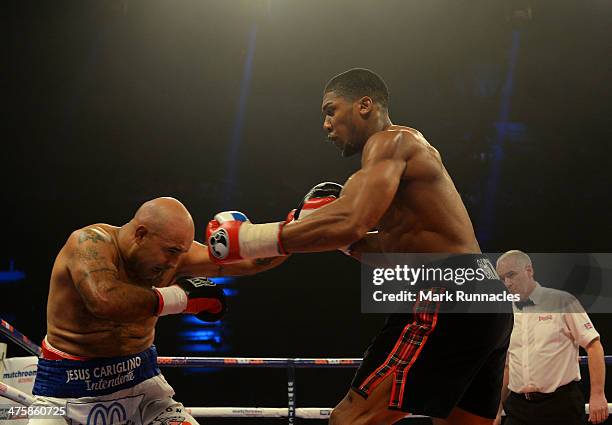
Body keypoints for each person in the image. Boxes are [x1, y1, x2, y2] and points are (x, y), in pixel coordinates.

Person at [206, 68, 513, 425]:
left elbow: (351, 219)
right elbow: (391, 249)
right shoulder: (408, 162)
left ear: (364, 105)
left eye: (331, 110)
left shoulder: (391, 142)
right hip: (484, 295)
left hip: (447, 289)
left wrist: (247, 239)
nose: (326, 125)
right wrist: (346, 242)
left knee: (350, 419)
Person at [28, 197, 285, 425]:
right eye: (171, 251)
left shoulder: (174, 257)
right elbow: (105, 300)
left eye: (181, 252)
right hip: (65, 393)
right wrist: (181, 299)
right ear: (140, 234)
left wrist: (294, 229)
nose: (175, 262)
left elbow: (250, 262)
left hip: (143, 388)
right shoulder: (89, 243)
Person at [494, 250, 608, 425]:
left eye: (511, 275)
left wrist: (598, 395)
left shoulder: (561, 301)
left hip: (560, 405)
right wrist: (498, 407)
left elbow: (594, 346)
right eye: (502, 278)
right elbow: (508, 366)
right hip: (518, 408)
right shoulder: (506, 312)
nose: (507, 283)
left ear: (529, 270)